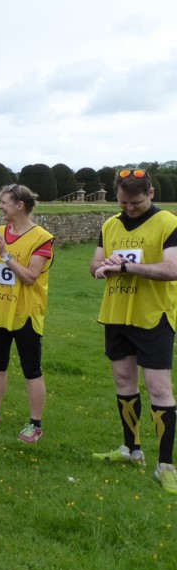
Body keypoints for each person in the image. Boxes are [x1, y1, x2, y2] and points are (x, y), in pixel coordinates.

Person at [90, 168, 177, 494]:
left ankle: (165, 465)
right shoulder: (110, 225)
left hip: (154, 317)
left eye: (135, 203)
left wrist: (127, 266)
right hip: (116, 314)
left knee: (159, 389)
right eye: (123, 202)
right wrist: (103, 267)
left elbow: (173, 269)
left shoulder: (168, 222)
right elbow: (93, 264)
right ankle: (132, 450)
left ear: (151, 194)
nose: (128, 208)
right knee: (124, 382)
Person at [0, 184, 54, 443]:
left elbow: (29, 277)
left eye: (4, 202)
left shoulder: (42, 238)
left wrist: (6, 255)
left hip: (25, 313)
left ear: (20, 205)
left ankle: (35, 425)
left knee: (31, 369)